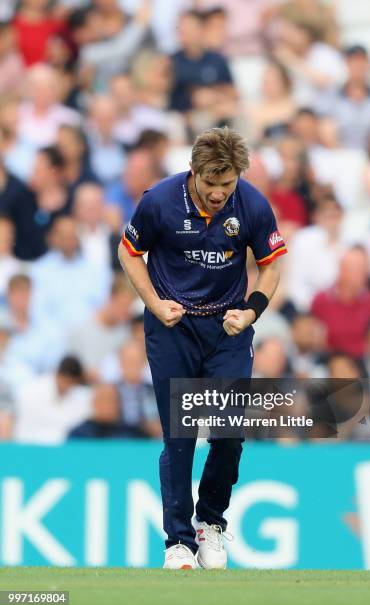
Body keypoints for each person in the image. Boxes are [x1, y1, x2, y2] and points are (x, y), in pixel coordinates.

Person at [118, 127, 286, 570]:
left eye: (226, 185)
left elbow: (270, 269)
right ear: (194, 172)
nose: (218, 194)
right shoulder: (160, 201)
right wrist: (154, 304)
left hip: (227, 330)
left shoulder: (250, 204)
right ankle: (178, 542)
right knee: (180, 436)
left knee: (229, 432)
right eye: (211, 184)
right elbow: (129, 251)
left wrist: (250, 314)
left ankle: (210, 522)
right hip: (173, 328)